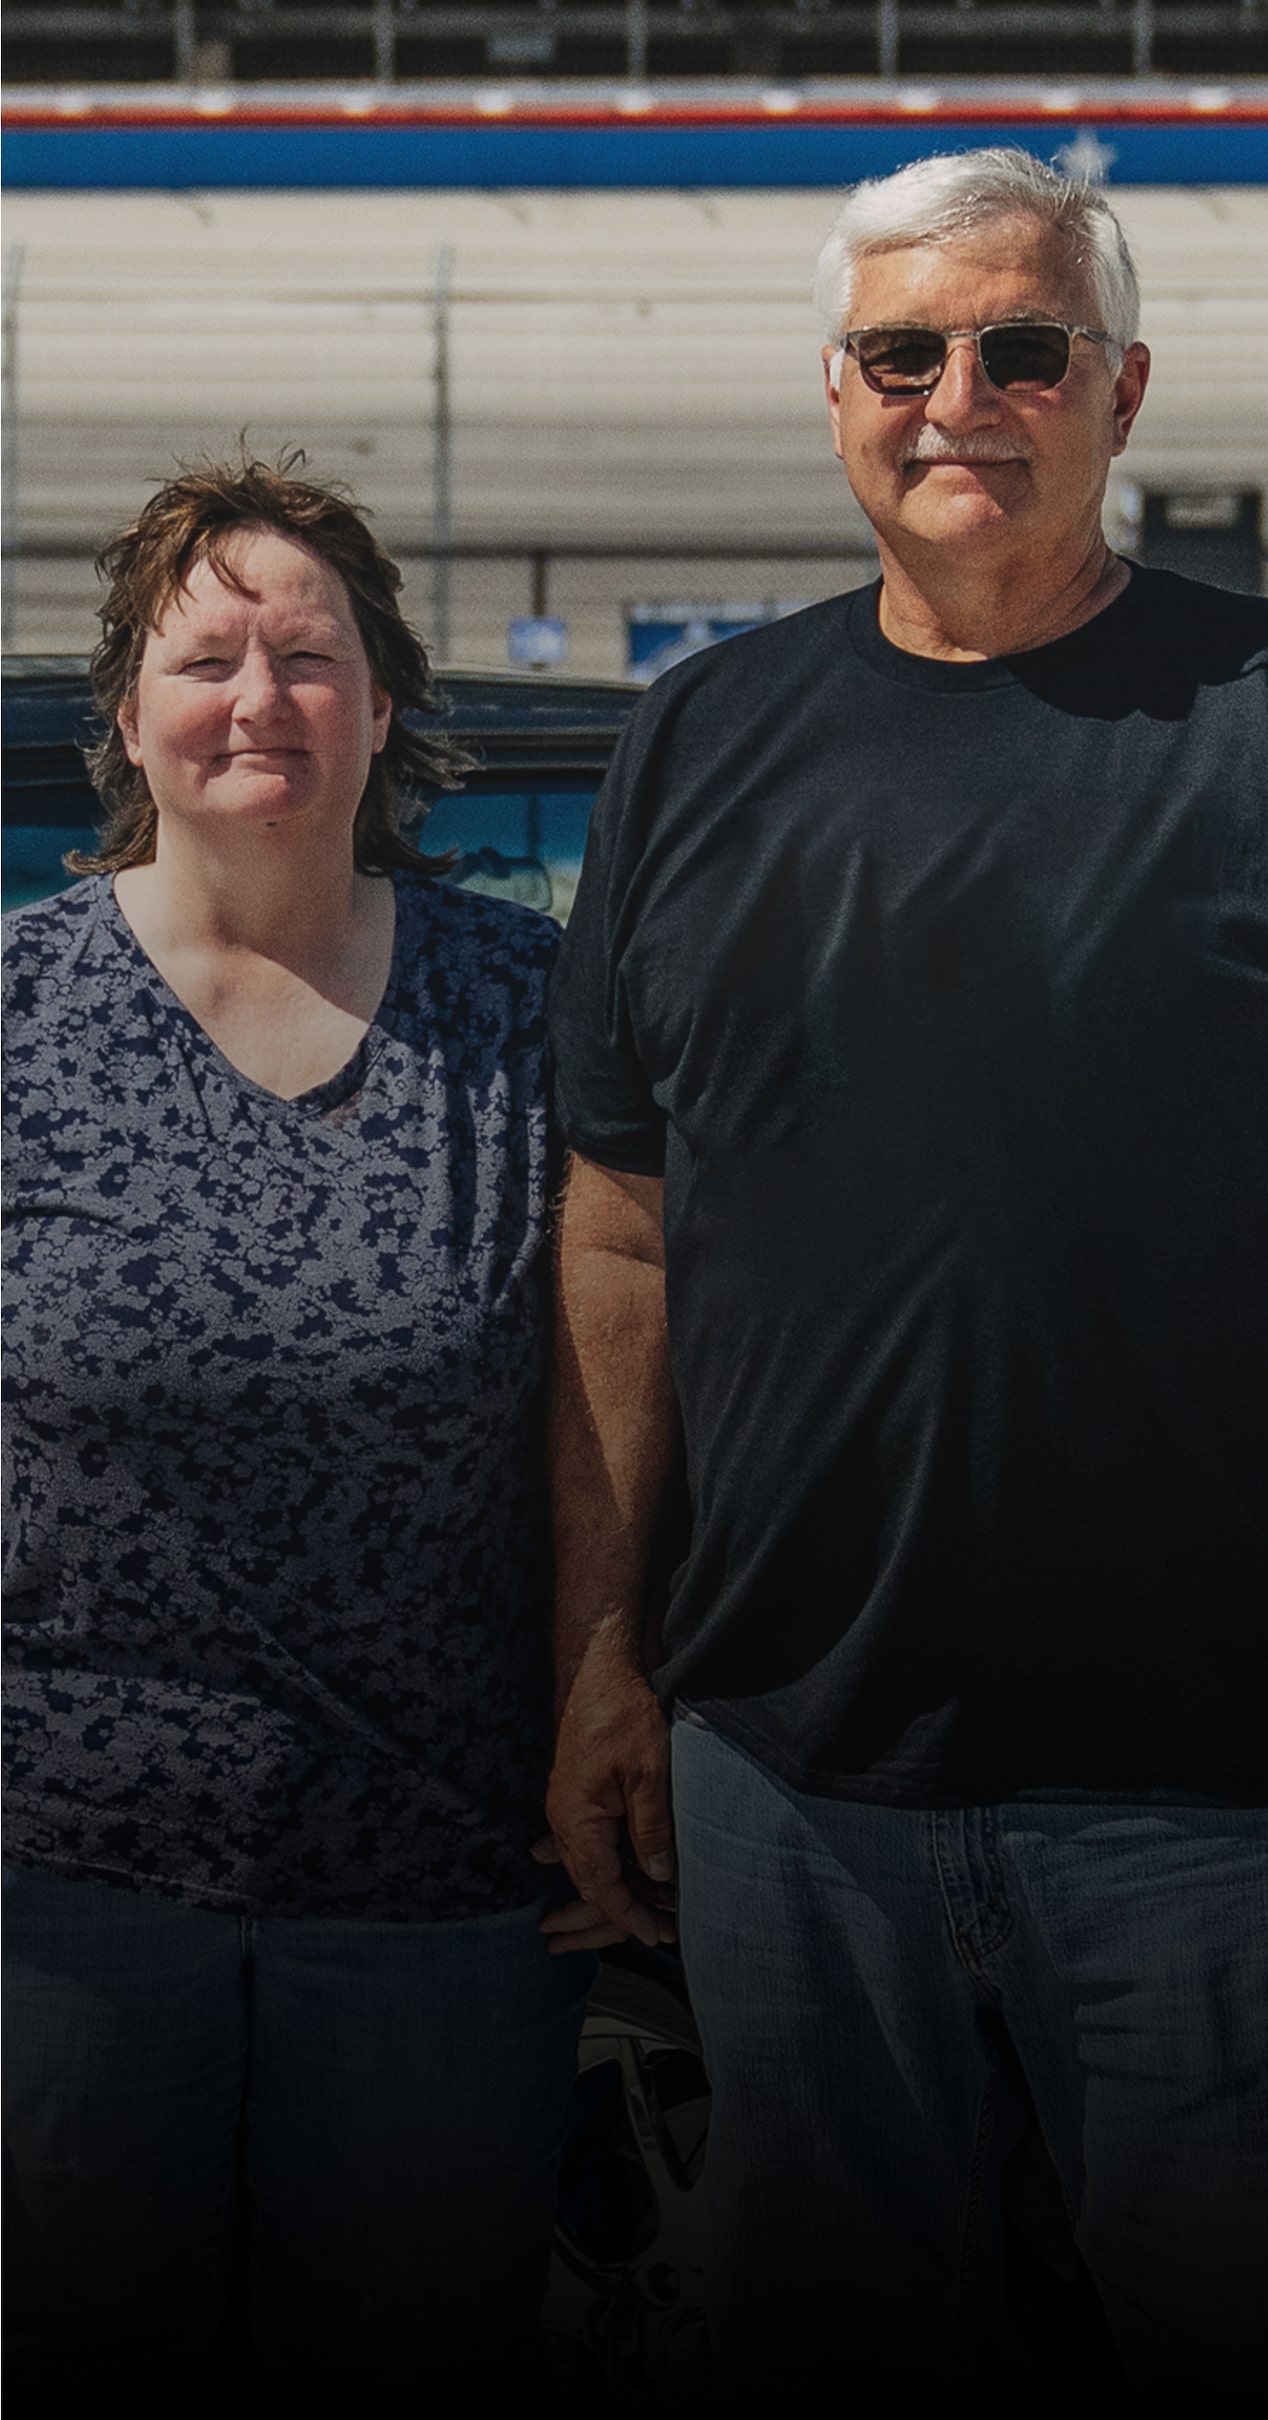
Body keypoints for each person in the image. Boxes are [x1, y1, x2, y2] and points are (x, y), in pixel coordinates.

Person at [539, 149, 1268, 2400]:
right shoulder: (698, 741)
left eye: (1022, 348)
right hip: (788, 1778)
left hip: (1202, 1798)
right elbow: (626, 1227)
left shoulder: (1246, 721)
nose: (962, 397)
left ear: (1120, 388)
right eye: (903, 354)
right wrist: (608, 1657)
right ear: (835, 395)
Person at [2, 456, 594, 2414]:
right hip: (63, 1890)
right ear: (126, 713)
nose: (259, 700)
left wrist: (619, 1691)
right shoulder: (15, 1018)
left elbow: (622, 1381)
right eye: (207, 657)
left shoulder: (526, 1005)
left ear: (388, 707)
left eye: (310, 657)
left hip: (435, 1879)